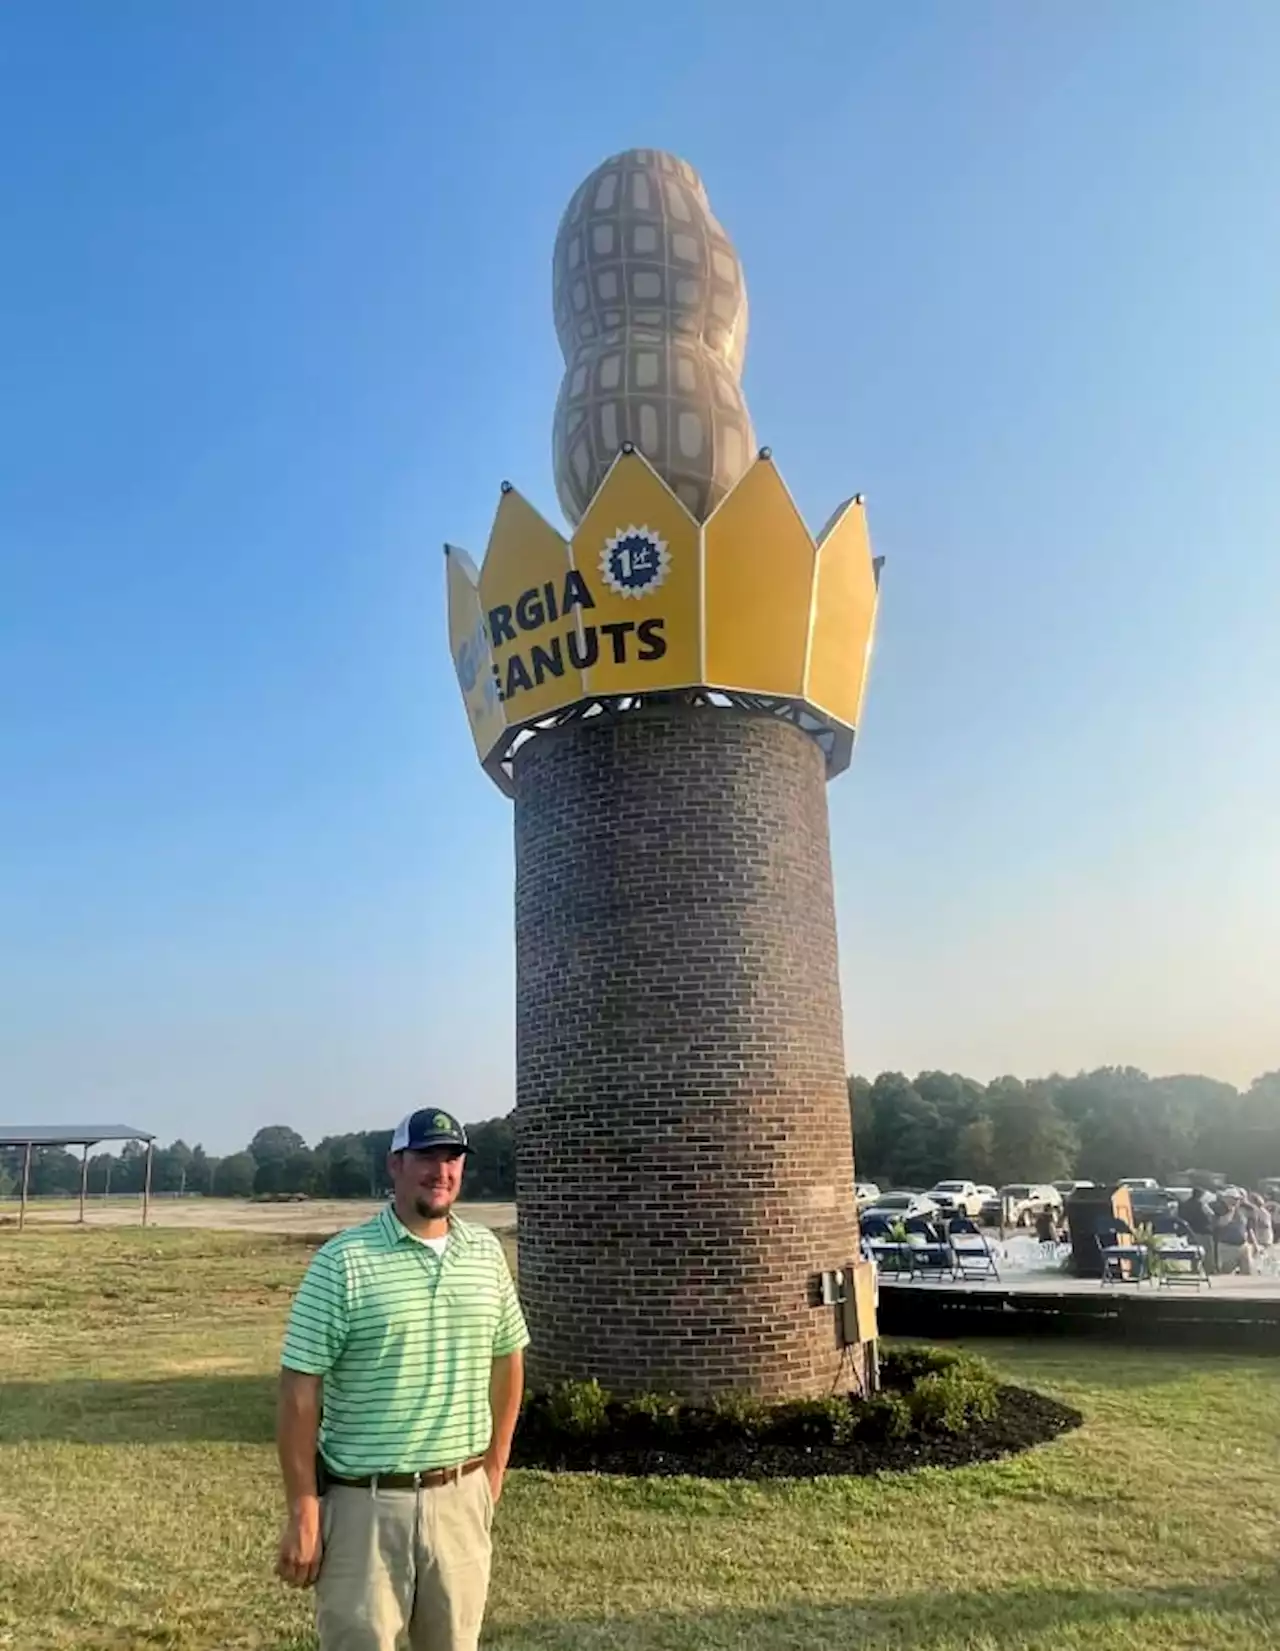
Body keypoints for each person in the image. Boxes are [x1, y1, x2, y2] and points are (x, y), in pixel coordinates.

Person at [275, 1108, 529, 1651]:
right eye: (427, 1156)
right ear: (396, 1164)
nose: (441, 1170)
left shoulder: (484, 1254)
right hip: (365, 1509)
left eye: (452, 1157)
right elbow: (300, 1391)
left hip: (460, 1501)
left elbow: (509, 1359)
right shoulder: (343, 1262)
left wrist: (493, 1470)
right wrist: (303, 1508)